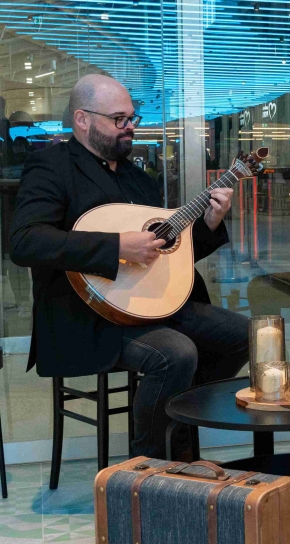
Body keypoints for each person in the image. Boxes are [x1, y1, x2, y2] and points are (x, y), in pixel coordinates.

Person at [9, 74, 248, 460]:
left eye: (133, 118)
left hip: (149, 303)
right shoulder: (51, 167)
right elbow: (25, 241)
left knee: (242, 334)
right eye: (120, 119)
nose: (131, 127)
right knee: (175, 352)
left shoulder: (139, 179)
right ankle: (151, 464)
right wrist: (117, 246)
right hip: (86, 315)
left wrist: (208, 224)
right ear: (83, 120)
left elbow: (166, 250)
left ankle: (179, 426)